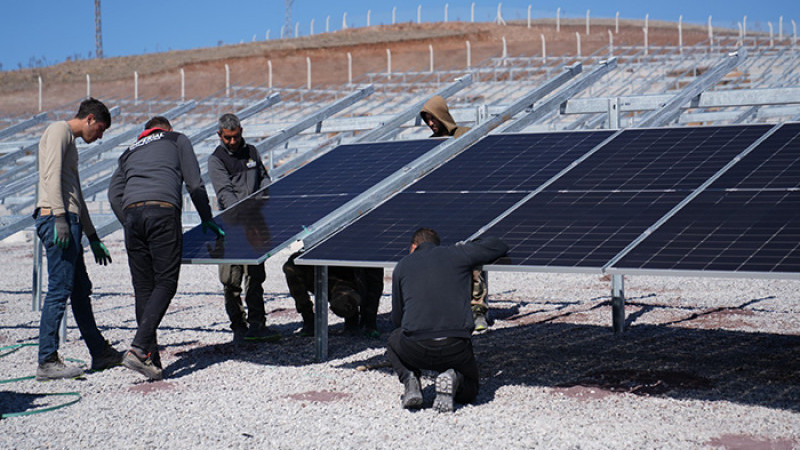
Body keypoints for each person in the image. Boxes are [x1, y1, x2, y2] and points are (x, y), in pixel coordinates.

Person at [108, 116, 224, 381]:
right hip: (162, 211)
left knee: (143, 288)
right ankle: (138, 349)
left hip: (132, 216)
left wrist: (127, 220)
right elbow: (194, 183)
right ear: (166, 128)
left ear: (146, 131)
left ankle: (152, 361)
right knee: (166, 282)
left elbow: (113, 193)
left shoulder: (129, 151)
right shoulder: (177, 139)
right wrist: (207, 218)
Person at [33, 97, 122, 380]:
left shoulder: (69, 143)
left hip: (69, 220)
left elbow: (77, 194)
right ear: (91, 119)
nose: (99, 137)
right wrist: (59, 217)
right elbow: (50, 177)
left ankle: (100, 352)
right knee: (59, 288)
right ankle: (47, 360)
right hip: (56, 219)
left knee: (80, 290)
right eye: (101, 130)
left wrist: (92, 235)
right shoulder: (59, 131)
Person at [386, 228, 508, 412]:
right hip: (455, 345)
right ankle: (456, 378)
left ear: (413, 247)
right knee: (472, 387)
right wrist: (469, 245)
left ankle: (410, 380)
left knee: (393, 341)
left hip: (416, 346)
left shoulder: (403, 265)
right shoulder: (457, 254)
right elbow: (499, 245)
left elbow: (397, 318)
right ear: (437, 244)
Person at [207, 113, 280, 344]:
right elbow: (226, 195)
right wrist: (245, 214)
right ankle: (238, 326)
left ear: (241, 132)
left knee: (256, 276)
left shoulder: (252, 152)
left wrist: (266, 197)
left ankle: (258, 324)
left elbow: (264, 178)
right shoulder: (216, 160)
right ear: (220, 135)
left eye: (236, 137)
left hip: (256, 223)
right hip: (233, 225)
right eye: (227, 138)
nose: (232, 142)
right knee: (231, 280)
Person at [420, 96, 490, 332]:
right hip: (442, 211)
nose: (430, 123)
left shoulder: (466, 135)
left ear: (442, 115)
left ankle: (478, 312)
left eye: (433, 118)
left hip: (469, 208)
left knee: (474, 264)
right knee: (444, 265)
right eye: (427, 119)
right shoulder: (430, 144)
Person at [283, 252, 382, 338]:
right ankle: (309, 320)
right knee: (291, 268)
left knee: (344, 303)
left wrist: (370, 320)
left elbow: (375, 282)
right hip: (320, 270)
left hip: (348, 281)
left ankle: (352, 319)